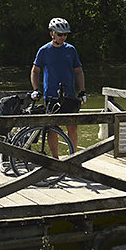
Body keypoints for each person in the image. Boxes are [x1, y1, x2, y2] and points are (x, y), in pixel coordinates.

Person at [30, 17, 86, 155]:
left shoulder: (71, 50)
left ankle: (73, 157)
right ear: (52, 34)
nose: (63, 37)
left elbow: (78, 71)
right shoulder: (44, 50)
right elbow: (35, 71)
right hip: (51, 95)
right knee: (53, 128)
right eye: (60, 34)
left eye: (65, 34)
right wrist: (36, 89)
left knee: (72, 127)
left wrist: (83, 91)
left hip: (69, 94)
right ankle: (55, 159)